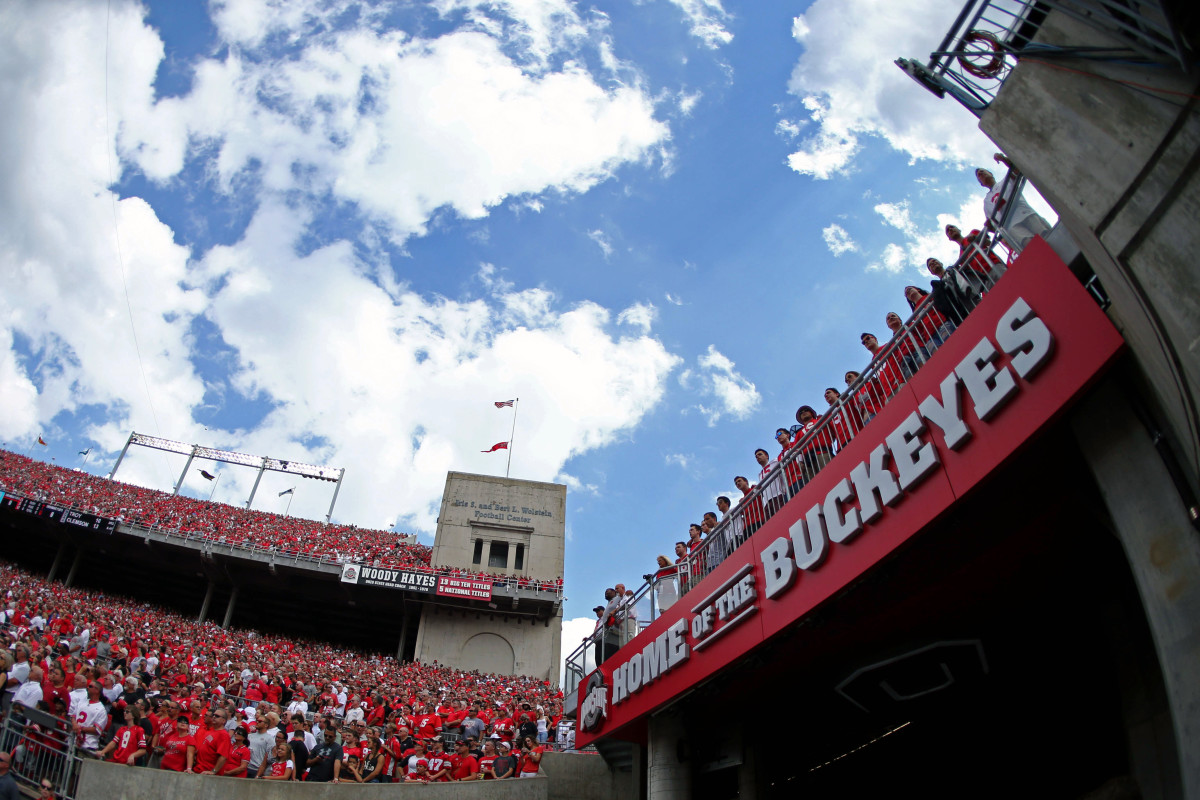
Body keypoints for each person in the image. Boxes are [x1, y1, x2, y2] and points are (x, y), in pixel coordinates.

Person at [978, 154, 1051, 251]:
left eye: (983, 171)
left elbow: (1017, 170)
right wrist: (988, 225)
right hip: (1011, 225)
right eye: (979, 175)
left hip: (1024, 213)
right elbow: (993, 224)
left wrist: (1004, 159)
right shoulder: (986, 202)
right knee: (1031, 245)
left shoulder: (1006, 180)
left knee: (1046, 234)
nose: (981, 174)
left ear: (991, 174)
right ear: (981, 184)